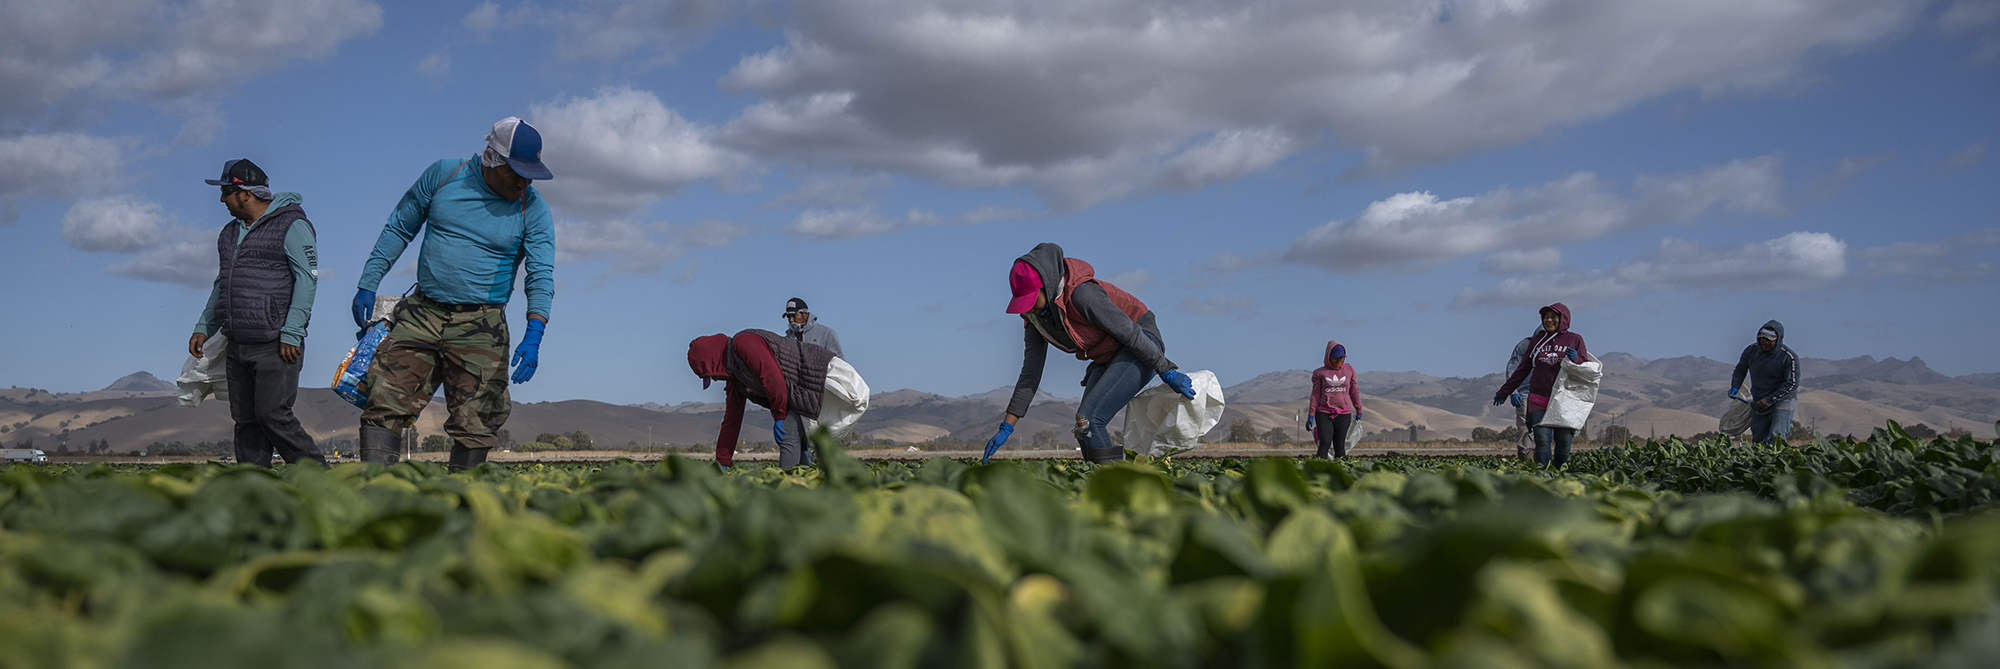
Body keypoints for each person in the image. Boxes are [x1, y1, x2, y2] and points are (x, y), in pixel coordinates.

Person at [351, 117, 556, 471]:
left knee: (477, 421)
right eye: (516, 172)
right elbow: (400, 226)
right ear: (492, 157)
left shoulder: (532, 209)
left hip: (481, 324)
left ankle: (463, 502)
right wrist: (368, 281)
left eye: (530, 174)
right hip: (422, 314)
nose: (524, 182)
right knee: (384, 400)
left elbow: (540, 274)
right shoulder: (445, 175)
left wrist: (535, 332)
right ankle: (375, 491)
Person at [981, 243, 1197, 464]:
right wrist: (1007, 426)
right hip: (1107, 354)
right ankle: (1099, 482)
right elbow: (1030, 374)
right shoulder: (1035, 319)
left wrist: (1166, 370)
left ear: (1046, 286)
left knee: (1090, 420)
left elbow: (1130, 333)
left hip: (1141, 342)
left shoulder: (1081, 294)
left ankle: (1113, 487)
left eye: (1031, 300)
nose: (1028, 308)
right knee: (1082, 428)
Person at [187, 158, 326, 468]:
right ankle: (253, 484)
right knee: (246, 420)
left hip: (276, 343)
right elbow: (222, 284)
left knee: (272, 413)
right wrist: (204, 326)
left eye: (226, 192)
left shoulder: (292, 225)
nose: (222, 199)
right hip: (237, 342)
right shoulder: (228, 234)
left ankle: (320, 475)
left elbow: (308, 279)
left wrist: (291, 332)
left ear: (245, 193)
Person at [688, 329, 866, 467]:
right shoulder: (736, 381)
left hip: (815, 376)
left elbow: (772, 378)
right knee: (799, 438)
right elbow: (731, 421)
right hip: (795, 394)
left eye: (712, 375)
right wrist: (722, 462)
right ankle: (801, 482)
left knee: (788, 434)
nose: (716, 379)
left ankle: (788, 487)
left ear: (713, 362)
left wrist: (779, 416)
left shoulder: (744, 343)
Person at [1492, 303, 1590, 467]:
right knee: (1542, 440)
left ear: (1563, 319)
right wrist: (1505, 391)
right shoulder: (1536, 341)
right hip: (1539, 397)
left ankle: (1559, 471)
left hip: (1564, 399)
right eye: (1546, 317)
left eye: (1553, 317)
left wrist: (1577, 360)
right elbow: (1522, 368)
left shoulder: (1575, 339)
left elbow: (1585, 370)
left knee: (1564, 442)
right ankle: (1544, 475)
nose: (1549, 320)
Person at [777, 297, 843, 467]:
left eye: (794, 316)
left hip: (822, 396)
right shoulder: (787, 339)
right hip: (797, 397)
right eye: (788, 317)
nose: (791, 320)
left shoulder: (826, 334)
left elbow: (840, 364)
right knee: (791, 434)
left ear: (805, 314)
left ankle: (828, 478)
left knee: (822, 442)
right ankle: (794, 478)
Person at [1730, 320, 1799, 445]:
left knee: (1776, 436)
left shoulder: (1788, 357)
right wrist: (1735, 386)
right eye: (1762, 339)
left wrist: (1770, 399)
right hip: (1760, 400)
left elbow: (1792, 384)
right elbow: (1740, 369)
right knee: (1758, 437)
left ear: (1778, 340)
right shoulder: (1751, 351)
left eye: (1769, 340)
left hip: (1783, 400)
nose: (1765, 342)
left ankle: (1776, 462)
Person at [1308, 341, 1363, 458]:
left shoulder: (1349, 370)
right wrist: (1311, 414)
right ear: (1329, 357)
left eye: (1341, 359)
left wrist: (1359, 408)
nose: (1339, 362)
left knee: (1340, 445)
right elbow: (1315, 395)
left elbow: (1354, 391)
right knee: (1325, 443)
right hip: (1324, 413)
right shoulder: (1319, 373)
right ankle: (1319, 470)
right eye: (1335, 359)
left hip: (1343, 413)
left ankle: (1340, 472)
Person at [1503, 327, 1541, 461]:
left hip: (1546, 396)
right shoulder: (1524, 346)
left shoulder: (1556, 347)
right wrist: (1513, 391)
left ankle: (1542, 460)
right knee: (1525, 428)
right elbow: (1512, 368)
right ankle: (1527, 460)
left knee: (1543, 430)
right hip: (1525, 395)